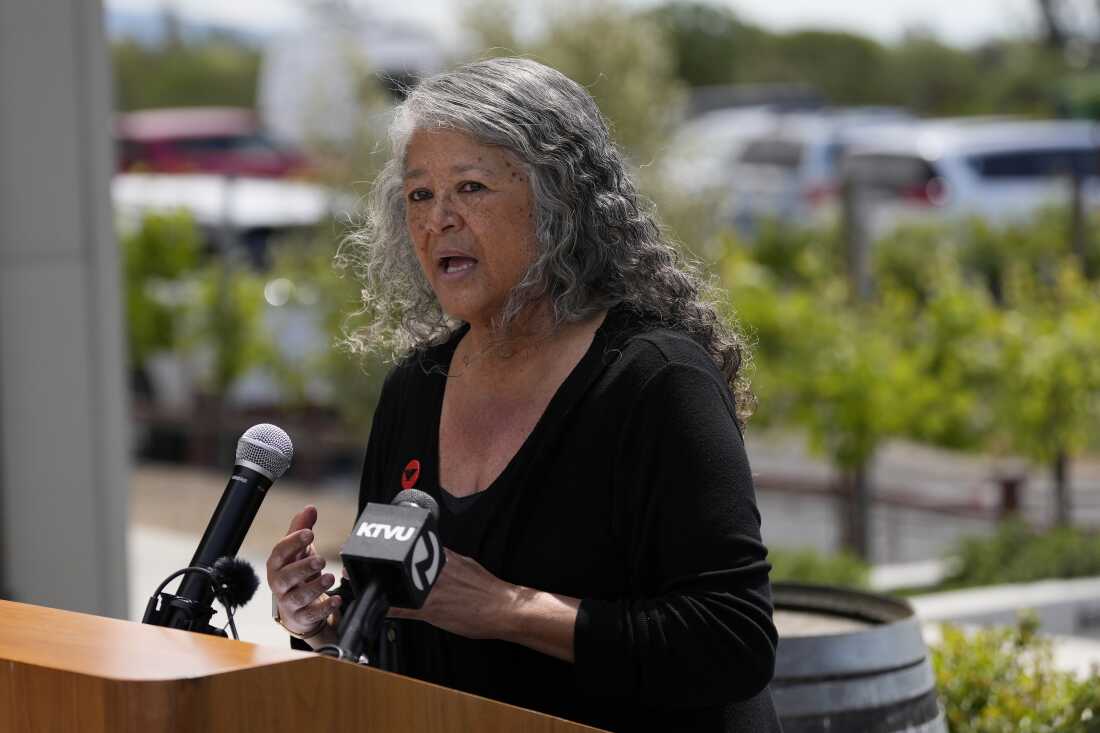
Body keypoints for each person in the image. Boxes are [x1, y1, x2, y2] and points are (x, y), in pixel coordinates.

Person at [266, 57, 780, 732]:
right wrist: (323, 621)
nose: (438, 220)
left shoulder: (656, 381)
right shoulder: (414, 390)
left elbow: (732, 640)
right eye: (419, 195)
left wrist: (507, 608)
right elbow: (399, 619)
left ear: (561, 200)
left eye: (471, 187)